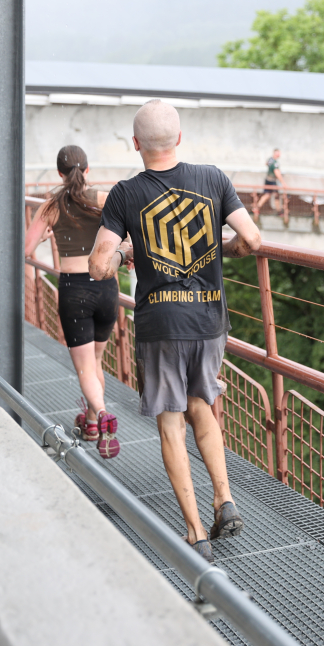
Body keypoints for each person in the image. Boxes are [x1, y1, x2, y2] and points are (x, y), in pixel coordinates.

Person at [89, 100, 263, 563]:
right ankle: (224, 500)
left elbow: (99, 266)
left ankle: (195, 534)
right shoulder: (213, 179)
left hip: (161, 324)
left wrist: (125, 254)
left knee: (171, 422)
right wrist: (222, 250)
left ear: (136, 144)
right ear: (179, 138)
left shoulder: (125, 195)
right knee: (201, 405)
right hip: (209, 320)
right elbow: (252, 239)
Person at [24, 145, 122, 459]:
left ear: (59, 173)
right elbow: (126, 229)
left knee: (84, 368)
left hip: (75, 289)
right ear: (87, 169)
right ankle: (91, 424)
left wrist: (46, 235)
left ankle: (103, 414)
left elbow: (26, 249)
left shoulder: (51, 205)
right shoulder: (105, 199)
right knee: (96, 362)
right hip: (106, 287)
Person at [252, 148, 285, 214]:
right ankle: (279, 211)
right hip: (272, 181)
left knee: (267, 194)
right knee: (276, 195)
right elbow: (277, 173)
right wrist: (283, 183)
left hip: (268, 179)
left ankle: (256, 208)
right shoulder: (275, 163)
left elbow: (266, 163)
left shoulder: (270, 159)